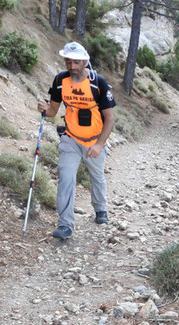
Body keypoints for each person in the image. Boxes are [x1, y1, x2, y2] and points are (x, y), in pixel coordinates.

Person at [37, 42, 116, 240]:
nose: (72, 66)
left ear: (85, 62)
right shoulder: (60, 81)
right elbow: (53, 111)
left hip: (94, 141)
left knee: (97, 176)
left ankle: (100, 209)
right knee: (66, 178)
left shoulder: (98, 83)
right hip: (70, 138)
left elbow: (110, 118)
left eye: (76, 62)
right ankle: (65, 225)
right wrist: (44, 110)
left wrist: (98, 144)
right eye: (68, 61)